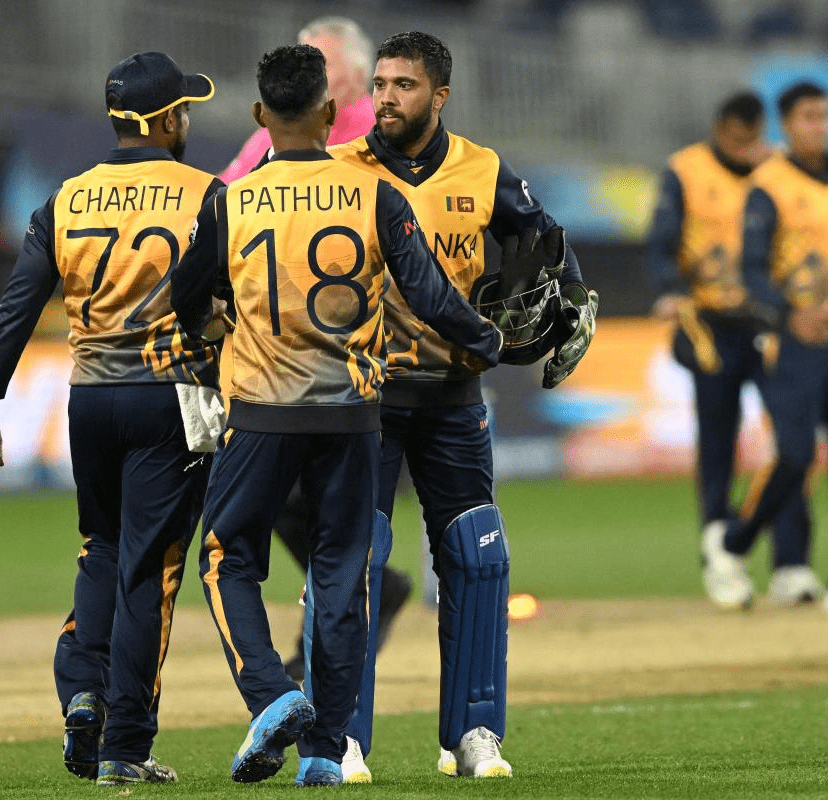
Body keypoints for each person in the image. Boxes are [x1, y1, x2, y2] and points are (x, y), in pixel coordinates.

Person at [169, 44, 504, 788]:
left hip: (262, 412)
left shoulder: (232, 200)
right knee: (345, 573)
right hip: (355, 415)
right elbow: (429, 295)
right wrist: (487, 338)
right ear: (330, 113)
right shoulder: (375, 195)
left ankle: (273, 692)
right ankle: (324, 751)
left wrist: (215, 333)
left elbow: (183, 294)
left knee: (227, 560)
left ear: (260, 117)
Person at [328, 31, 596, 780]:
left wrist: (572, 301)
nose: (384, 96)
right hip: (362, 395)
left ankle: (474, 736)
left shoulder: (483, 170)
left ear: (438, 96)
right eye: (378, 83)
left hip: (453, 394)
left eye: (403, 85)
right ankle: (342, 736)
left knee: (478, 557)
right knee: (356, 559)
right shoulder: (338, 171)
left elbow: (546, 241)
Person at [0, 52, 225, 786]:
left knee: (102, 548)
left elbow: (17, 308)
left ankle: (82, 689)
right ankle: (125, 743)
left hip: (91, 398)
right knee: (151, 569)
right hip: (169, 396)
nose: (189, 121)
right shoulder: (209, 193)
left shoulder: (67, 198)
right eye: (186, 110)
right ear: (168, 119)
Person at [220, 15, 413, 685]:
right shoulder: (286, 133)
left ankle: (316, 678)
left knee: (300, 510)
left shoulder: (378, 139)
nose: (304, 76)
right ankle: (339, 640)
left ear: (352, 81)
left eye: (319, 66)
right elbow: (220, 204)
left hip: (355, 360)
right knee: (299, 509)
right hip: (290, 355)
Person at [701, 80, 828, 617]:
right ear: (788, 125)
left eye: (826, 117)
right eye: (809, 117)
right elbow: (750, 272)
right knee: (795, 454)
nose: (820, 126)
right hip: (794, 343)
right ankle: (734, 545)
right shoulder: (767, 188)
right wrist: (788, 315)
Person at [647, 91, 821, 609]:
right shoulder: (686, 171)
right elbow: (661, 241)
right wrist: (668, 289)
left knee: (793, 444)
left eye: (756, 140)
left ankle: (792, 565)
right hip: (709, 326)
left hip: (770, 321)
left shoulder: (778, 172)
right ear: (722, 131)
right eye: (740, 142)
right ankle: (722, 562)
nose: (750, 151)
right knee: (718, 445)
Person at [218, 16, 375, 184]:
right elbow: (224, 189)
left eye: (321, 66)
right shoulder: (277, 128)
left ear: (359, 74)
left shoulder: (378, 135)